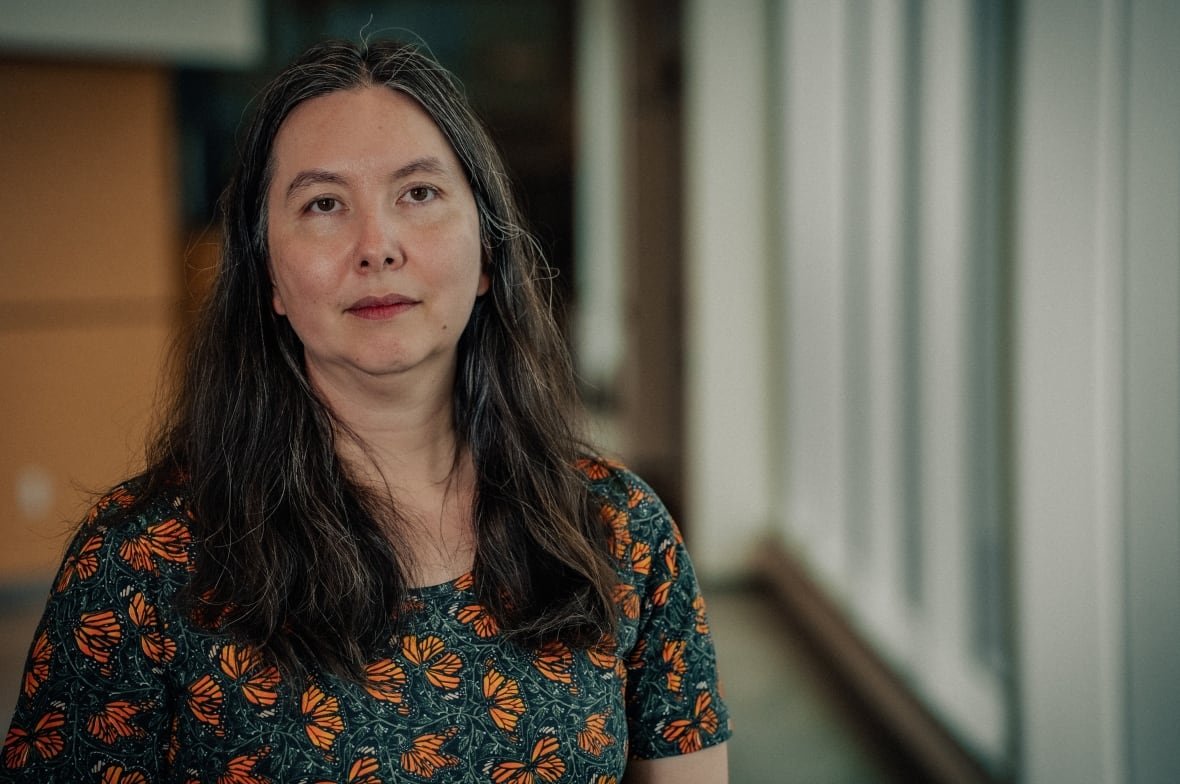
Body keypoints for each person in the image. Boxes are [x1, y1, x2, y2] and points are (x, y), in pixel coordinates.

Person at [2, 39, 730, 782]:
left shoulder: (619, 532)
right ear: (270, 280)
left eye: (418, 194)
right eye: (323, 205)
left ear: (486, 253)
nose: (376, 246)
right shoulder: (138, 565)